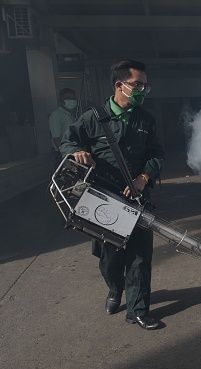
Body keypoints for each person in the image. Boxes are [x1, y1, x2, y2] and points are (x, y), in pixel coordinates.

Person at [60, 59, 165, 330]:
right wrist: (75, 151)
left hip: (137, 199)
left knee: (140, 258)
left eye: (145, 85)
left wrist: (144, 177)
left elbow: (157, 154)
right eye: (137, 84)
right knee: (110, 259)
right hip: (103, 200)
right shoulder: (93, 117)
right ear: (120, 85)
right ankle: (114, 288)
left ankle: (138, 310)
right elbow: (68, 140)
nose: (143, 89)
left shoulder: (146, 119)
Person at [50, 88, 78, 159]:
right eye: (67, 98)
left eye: (73, 98)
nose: (71, 100)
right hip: (63, 153)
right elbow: (56, 138)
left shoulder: (71, 114)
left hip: (73, 151)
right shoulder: (56, 115)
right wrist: (64, 155)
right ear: (61, 100)